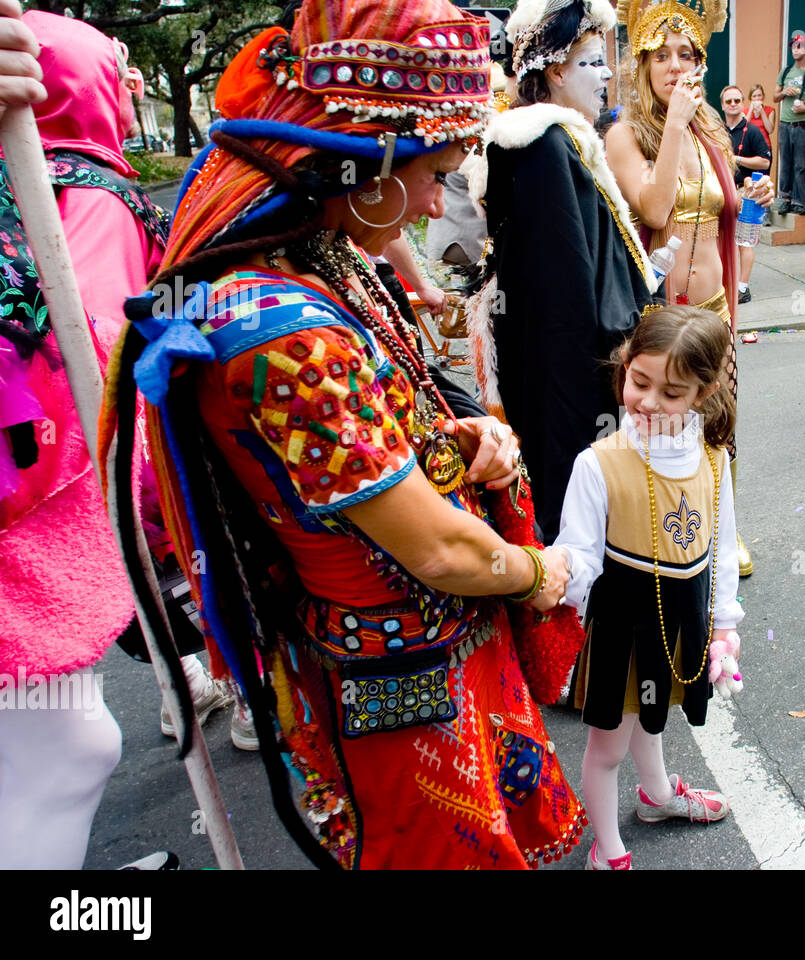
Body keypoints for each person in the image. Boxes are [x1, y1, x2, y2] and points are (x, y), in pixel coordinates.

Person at [102, 0, 589, 870]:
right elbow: (437, 551)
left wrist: (463, 434)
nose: (439, 199)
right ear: (370, 167)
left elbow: (385, 428)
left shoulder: (314, 260)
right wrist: (537, 574)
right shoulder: (286, 335)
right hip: (402, 676)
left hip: (426, 650)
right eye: (436, 172)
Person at [0, 7, 172, 869]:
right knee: (70, 745)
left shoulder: (31, 175)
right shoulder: (103, 195)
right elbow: (98, 363)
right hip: (35, 497)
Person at [554, 304, 742, 870]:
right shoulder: (598, 464)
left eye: (672, 392)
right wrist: (547, 581)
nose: (648, 403)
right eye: (639, 382)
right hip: (618, 629)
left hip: (679, 620)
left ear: (704, 392)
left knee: (652, 714)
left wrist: (726, 627)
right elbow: (577, 558)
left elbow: (722, 545)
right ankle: (607, 849)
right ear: (626, 365)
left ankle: (657, 797)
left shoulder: (712, 457)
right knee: (609, 745)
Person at [607, 0, 774, 579]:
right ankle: (661, 528)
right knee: (664, 424)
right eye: (664, 56)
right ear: (643, 63)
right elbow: (653, 204)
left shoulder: (714, 131)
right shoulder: (626, 134)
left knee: (719, 425)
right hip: (662, 313)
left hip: (715, 309)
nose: (677, 66)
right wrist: (675, 123)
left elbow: (727, 208)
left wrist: (755, 192)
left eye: (688, 55)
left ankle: (723, 527)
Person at [477, 0, 651, 544]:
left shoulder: (556, 140)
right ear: (555, 70)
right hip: (570, 370)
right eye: (593, 62)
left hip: (566, 360)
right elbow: (567, 291)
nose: (605, 76)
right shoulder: (545, 146)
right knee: (575, 497)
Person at [721, 84, 770, 304]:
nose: (733, 105)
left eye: (737, 101)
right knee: (721, 238)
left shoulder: (752, 131)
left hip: (747, 192)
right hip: (721, 189)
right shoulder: (716, 130)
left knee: (744, 242)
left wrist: (737, 160)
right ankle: (725, 283)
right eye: (728, 101)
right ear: (722, 105)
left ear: (743, 103)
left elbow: (765, 160)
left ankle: (742, 287)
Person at [773, 29, 805, 216]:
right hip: (785, 123)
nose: (795, 50)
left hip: (803, 124)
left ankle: (798, 201)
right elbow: (775, 97)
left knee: (801, 165)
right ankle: (784, 198)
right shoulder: (785, 72)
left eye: (799, 46)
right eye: (793, 46)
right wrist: (785, 92)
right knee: (785, 163)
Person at [747, 83, 776, 149]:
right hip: (749, 146)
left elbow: (770, 130)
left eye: (759, 95)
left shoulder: (770, 110)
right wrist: (751, 110)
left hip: (765, 145)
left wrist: (762, 111)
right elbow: (744, 127)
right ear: (750, 98)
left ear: (763, 96)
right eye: (754, 96)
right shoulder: (745, 111)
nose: (757, 98)